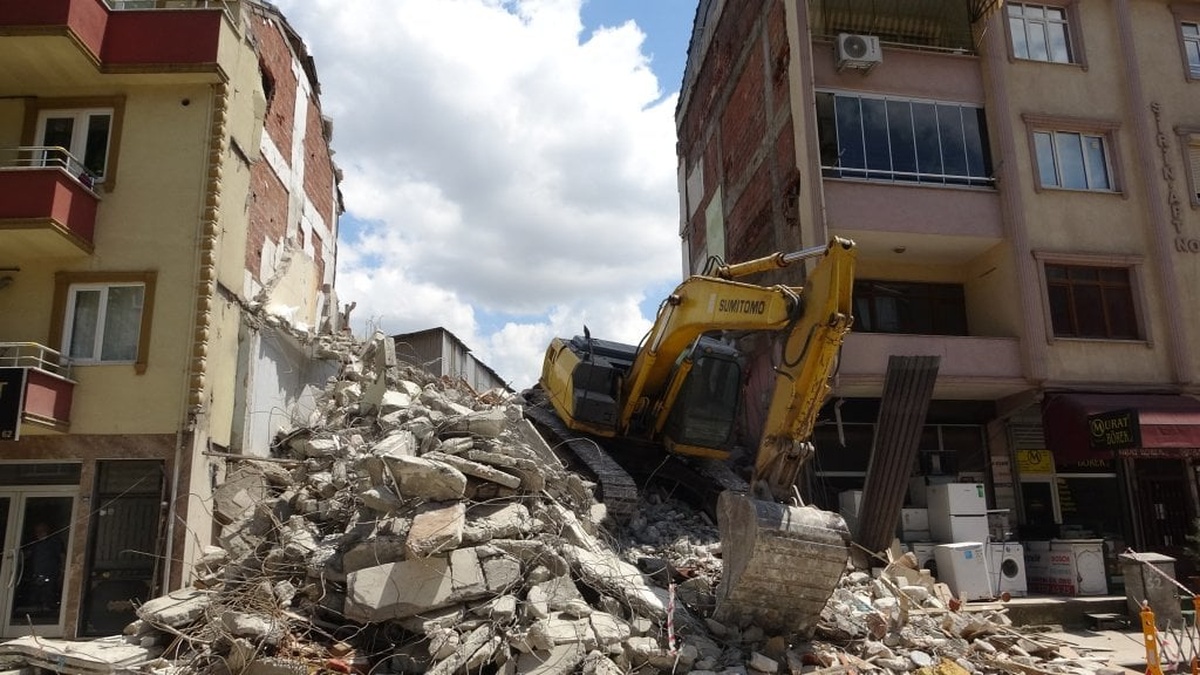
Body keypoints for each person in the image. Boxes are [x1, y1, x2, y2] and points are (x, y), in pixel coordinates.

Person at [21, 522, 66, 615]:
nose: (39, 533)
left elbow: (62, 556)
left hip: (50, 576)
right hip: (36, 577)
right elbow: (26, 555)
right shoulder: (35, 544)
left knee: (48, 600)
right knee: (34, 601)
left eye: (42, 531)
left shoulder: (54, 542)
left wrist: (62, 572)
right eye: (37, 531)